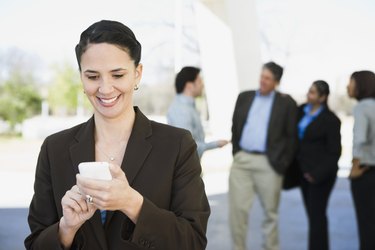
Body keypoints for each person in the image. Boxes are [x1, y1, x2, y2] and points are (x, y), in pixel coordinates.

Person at [25, 20, 210, 250]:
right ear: (81, 77)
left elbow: (193, 242)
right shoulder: (54, 149)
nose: (105, 88)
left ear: (137, 74)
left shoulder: (177, 145)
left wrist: (133, 204)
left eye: (118, 74)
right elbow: (36, 244)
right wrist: (66, 229)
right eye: (93, 76)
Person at [229, 61, 298, 250]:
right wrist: (237, 152)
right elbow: (235, 126)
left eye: (268, 78)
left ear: (276, 82)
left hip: (270, 163)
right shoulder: (244, 97)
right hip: (242, 161)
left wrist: (282, 163)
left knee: (270, 214)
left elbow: (292, 137)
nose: (263, 81)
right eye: (262, 76)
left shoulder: (286, 103)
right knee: (238, 212)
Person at [296, 81, 341, 250]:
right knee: (312, 216)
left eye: (313, 93)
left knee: (317, 217)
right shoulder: (301, 111)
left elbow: (334, 152)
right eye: (309, 91)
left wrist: (316, 174)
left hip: (320, 175)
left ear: (322, 97)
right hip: (303, 172)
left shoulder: (331, 120)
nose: (309, 95)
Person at [167, 66, 229, 159]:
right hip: (185, 169)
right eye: (199, 81)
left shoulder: (188, 107)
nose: (202, 85)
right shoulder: (181, 110)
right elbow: (186, 146)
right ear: (189, 86)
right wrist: (215, 144)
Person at [347, 70, 375, 250]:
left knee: (367, 226)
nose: (348, 86)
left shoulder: (362, 107)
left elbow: (359, 139)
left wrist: (355, 167)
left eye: (351, 82)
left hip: (366, 173)